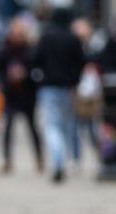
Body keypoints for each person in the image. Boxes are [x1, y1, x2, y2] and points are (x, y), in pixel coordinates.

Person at [32, 7, 87, 184]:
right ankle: (69, 160)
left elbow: (35, 59)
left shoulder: (46, 37)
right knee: (66, 126)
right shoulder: (73, 38)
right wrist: (75, 81)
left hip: (48, 87)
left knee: (51, 126)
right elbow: (81, 62)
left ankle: (58, 161)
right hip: (68, 88)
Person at [0, 15, 42, 174]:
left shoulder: (31, 50)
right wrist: (7, 78)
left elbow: (37, 71)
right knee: (8, 127)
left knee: (32, 127)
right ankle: (7, 161)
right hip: (10, 94)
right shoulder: (5, 50)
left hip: (27, 94)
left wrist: (25, 74)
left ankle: (39, 160)